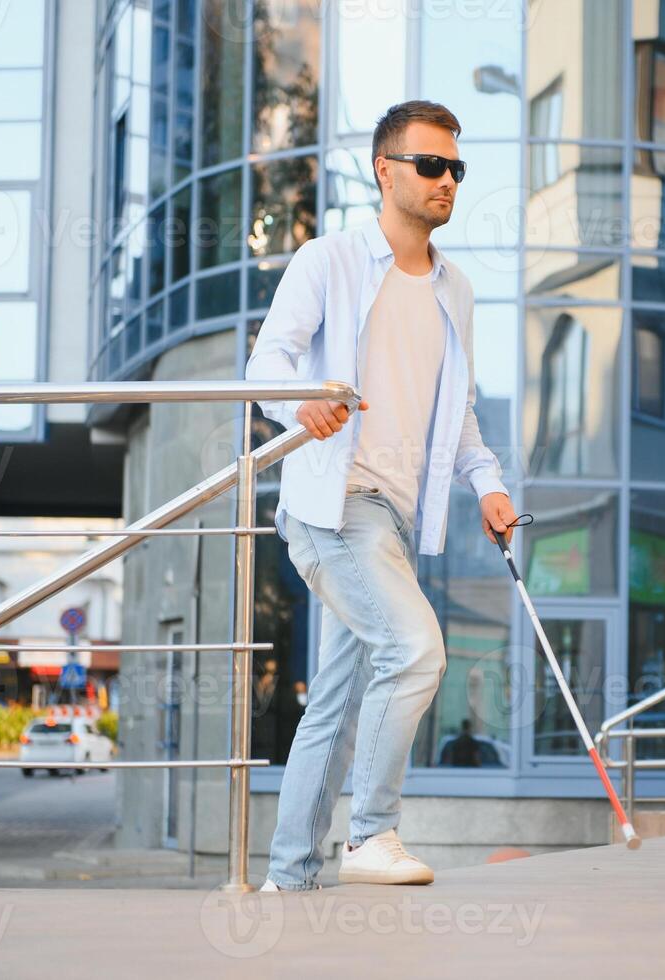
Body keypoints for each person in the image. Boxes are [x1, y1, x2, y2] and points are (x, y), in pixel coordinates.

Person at [246, 100, 518, 889]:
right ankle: (370, 834)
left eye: (456, 169)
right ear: (386, 169)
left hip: (392, 518)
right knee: (416, 649)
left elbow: (456, 412)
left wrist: (488, 487)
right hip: (335, 507)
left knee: (332, 703)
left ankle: (288, 878)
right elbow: (268, 363)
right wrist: (300, 399)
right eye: (431, 165)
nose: (446, 182)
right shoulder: (328, 259)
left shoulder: (454, 289)